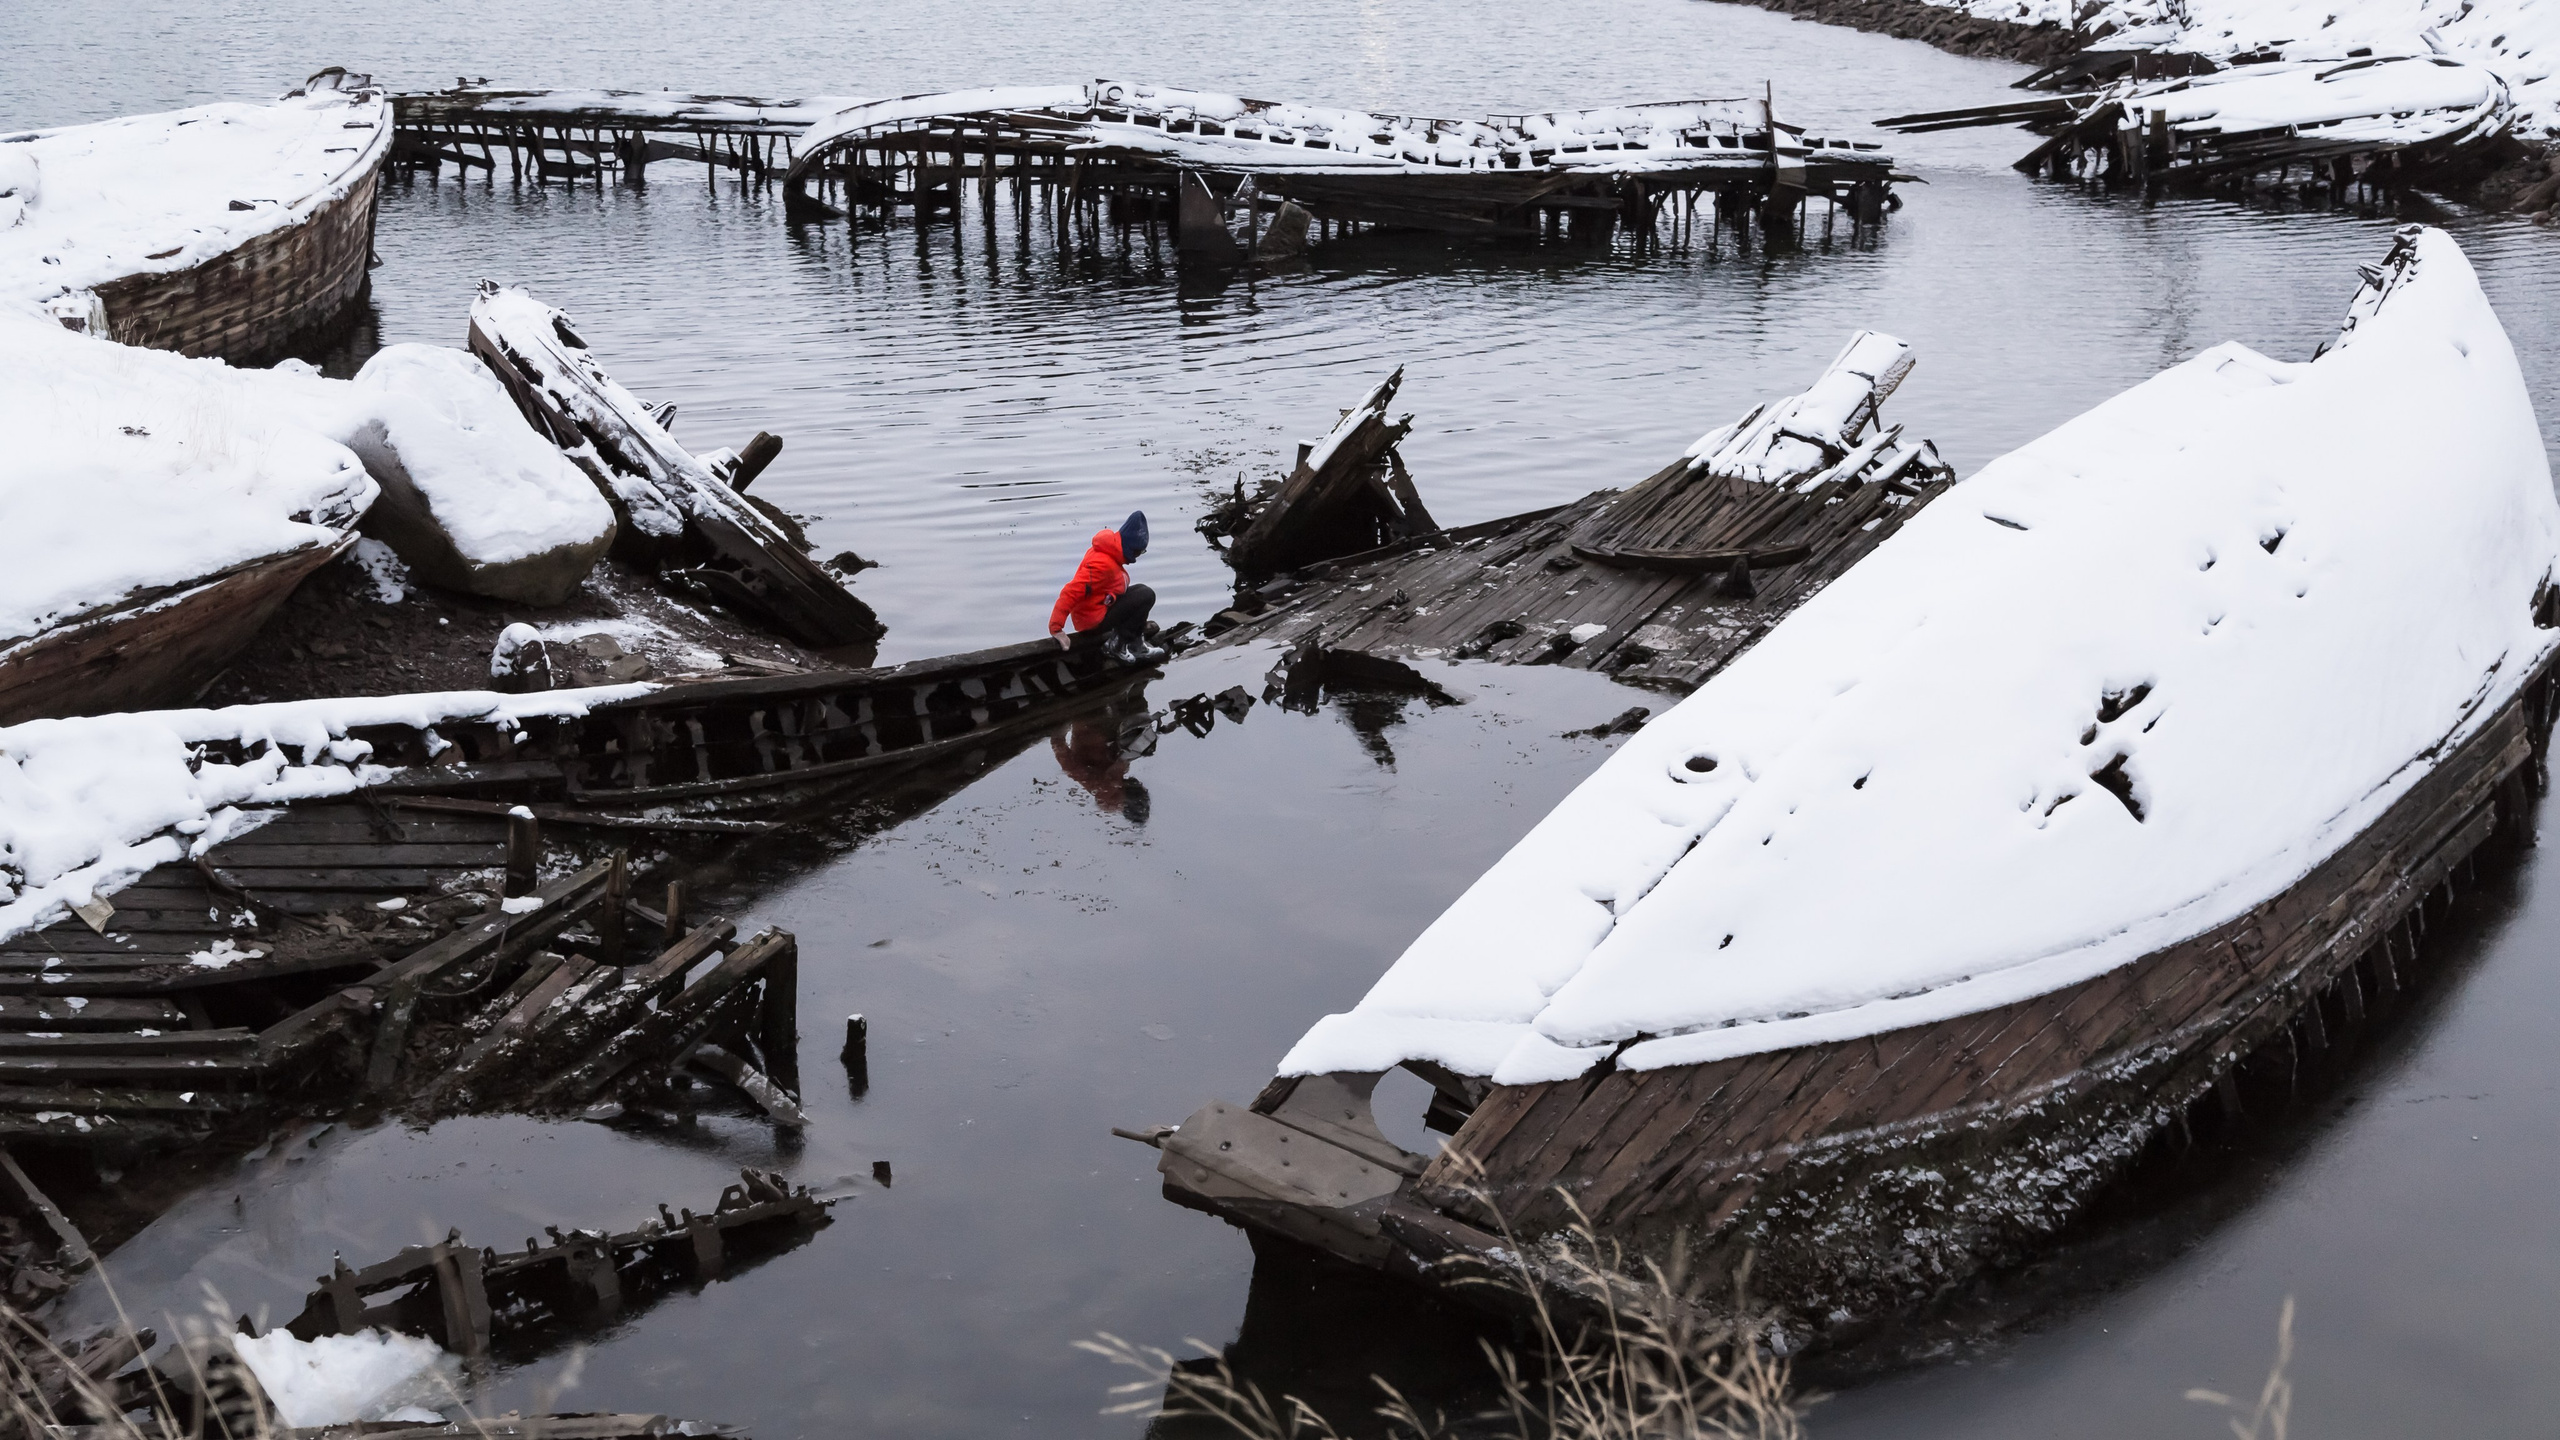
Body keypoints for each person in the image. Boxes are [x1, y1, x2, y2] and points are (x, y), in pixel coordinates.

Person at [1049, 510, 1166, 665]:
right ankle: (1116, 647)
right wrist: (1057, 628)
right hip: (1092, 622)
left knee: (1140, 591)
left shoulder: (1111, 553)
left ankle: (1135, 643)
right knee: (1145, 595)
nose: (1136, 559)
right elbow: (1070, 592)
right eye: (1139, 552)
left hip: (1101, 607)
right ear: (1130, 547)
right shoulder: (1102, 564)